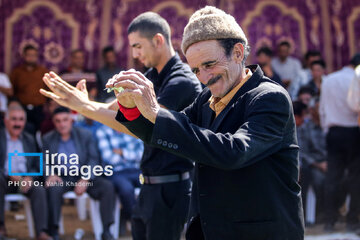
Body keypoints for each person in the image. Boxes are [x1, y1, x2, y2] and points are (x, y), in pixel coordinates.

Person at [40, 7, 304, 239]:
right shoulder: (206, 99)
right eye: (197, 70)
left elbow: (234, 151)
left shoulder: (269, 97)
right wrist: (129, 108)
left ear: (238, 53)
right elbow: (163, 130)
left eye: (209, 65)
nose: (204, 78)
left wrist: (153, 110)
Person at [42, 12, 202, 240]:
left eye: (138, 46)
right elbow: (115, 109)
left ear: (157, 40)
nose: (134, 54)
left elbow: (145, 126)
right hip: (148, 185)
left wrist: (85, 107)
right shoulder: (152, 76)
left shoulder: (182, 81)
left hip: (171, 188)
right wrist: (82, 103)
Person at [43, 107, 116, 240]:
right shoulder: (48, 139)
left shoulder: (85, 135)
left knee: (107, 187)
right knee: (52, 188)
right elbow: (44, 160)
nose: (62, 124)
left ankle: (106, 230)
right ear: (54, 122)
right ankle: (53, 230)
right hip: (62, 177)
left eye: (65, 120)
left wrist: (85, 178)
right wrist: (50, 173)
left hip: (83, 175)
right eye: (58, 121)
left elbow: (94, 159)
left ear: (71, 120)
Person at [320, 53, 360, 232]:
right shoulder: (356, 78)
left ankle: (330, 221)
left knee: (332, 178)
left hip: (334, 132)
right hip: (353, 131)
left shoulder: (329, 79)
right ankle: (352, 221)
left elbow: (322, 110)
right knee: (355, 178)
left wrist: (326, 130)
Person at [0, 104, 51, 240]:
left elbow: (37, 163)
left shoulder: (29, 138)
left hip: (24, 180)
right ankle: (1, 229)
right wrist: (9, 173)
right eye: (14, 119)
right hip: (4, 179)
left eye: (21, 120)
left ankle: (41, 232)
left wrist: (30, 177)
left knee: (38, 189)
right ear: (6, 120)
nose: (18, 123)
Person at [96, 125, 143, 235]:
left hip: (137, 170)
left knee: (151, 184)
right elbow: (109, 158)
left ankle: (135, 216)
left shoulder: (135, 128)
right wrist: (131, 154)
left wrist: (122, 152)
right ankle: (135, 220)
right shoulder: (103, 131)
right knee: (126, 189)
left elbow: (142, 154)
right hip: (116, 172)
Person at [295, 99, 327, 224]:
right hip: (313, 164)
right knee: (318, 180)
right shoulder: (304, 128)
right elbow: (303, 152)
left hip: (332, 162)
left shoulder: (329, 126)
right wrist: (319, 165)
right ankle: (315, 216)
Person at [10, 45, 48, 134]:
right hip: (22, 108)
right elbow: (12, 90)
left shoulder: (43, 71)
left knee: (39, 133)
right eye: (29, 55)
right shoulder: (17, 72)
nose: (31, 58)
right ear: (24, 56)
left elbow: (49, 89)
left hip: (39, 109)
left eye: (34, 55)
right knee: (22, 133)